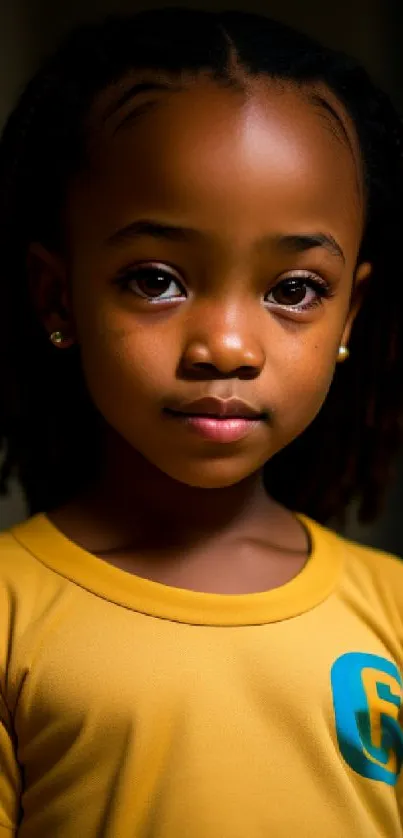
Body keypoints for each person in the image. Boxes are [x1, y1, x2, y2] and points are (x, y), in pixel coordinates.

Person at [0, 5, 403, 835]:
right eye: (155, 279)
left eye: (293, 290)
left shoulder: (393, 609)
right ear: (57, 292)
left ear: (349, 316)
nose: (225, 347)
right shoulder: (7, 611)